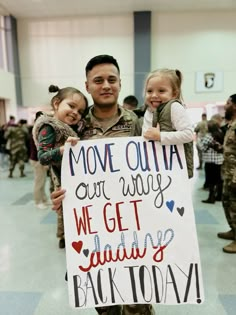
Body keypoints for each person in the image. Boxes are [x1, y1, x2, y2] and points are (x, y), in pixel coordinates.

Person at [51, 55, 154, 315]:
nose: (106, 85)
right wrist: (58, 194)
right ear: (87, 85)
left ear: (120, 83)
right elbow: (61, 168)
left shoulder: (140, 124)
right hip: (92, 232)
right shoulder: (74, 126)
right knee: (105, 304)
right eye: (98, 80)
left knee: (137, 302)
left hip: (135, 230)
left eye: (112, 79)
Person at [33, 85, 88, 248]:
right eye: (71, 106)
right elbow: (43, 157)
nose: (75, 113)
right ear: (56, 103)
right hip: (60, 179)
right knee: (65, 210)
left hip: (68, 177)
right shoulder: (49, 126)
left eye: (80, 111)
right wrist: (64, 149)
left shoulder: (66, 127)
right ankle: (64, 237)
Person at [142, 68, 194, 178]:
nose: (154, 95)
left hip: (174, 168)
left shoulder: (174, 107)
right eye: (149, 91)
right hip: (155, 167)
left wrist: (160, 136)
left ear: (174, 94)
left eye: (161, 91)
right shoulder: (148, 111)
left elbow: (189, 134)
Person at [217, 94, 236, 253]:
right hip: (228, 173)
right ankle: (233, 230)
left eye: (228, 103)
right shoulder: (232, 125)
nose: (225, 105)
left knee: (235, 205)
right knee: (227, 202)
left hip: (235, 175)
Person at [198, 119, 224, 203]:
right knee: (219, 179)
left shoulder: (208, 136)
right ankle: (219, 196)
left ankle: (211, 198)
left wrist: (199, 141)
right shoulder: (220, 134)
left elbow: (202, 148)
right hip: (219, 160)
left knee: (211, 181)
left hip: (210, 162)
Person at [29, 111, 49, 209]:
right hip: (37, 160)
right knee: (39, 181)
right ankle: (38, 201)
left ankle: (44, 198)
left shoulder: (39, 129)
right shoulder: (36, 130)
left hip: (38, 159)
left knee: (43, 180)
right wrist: (43, 161)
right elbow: (38, 148)